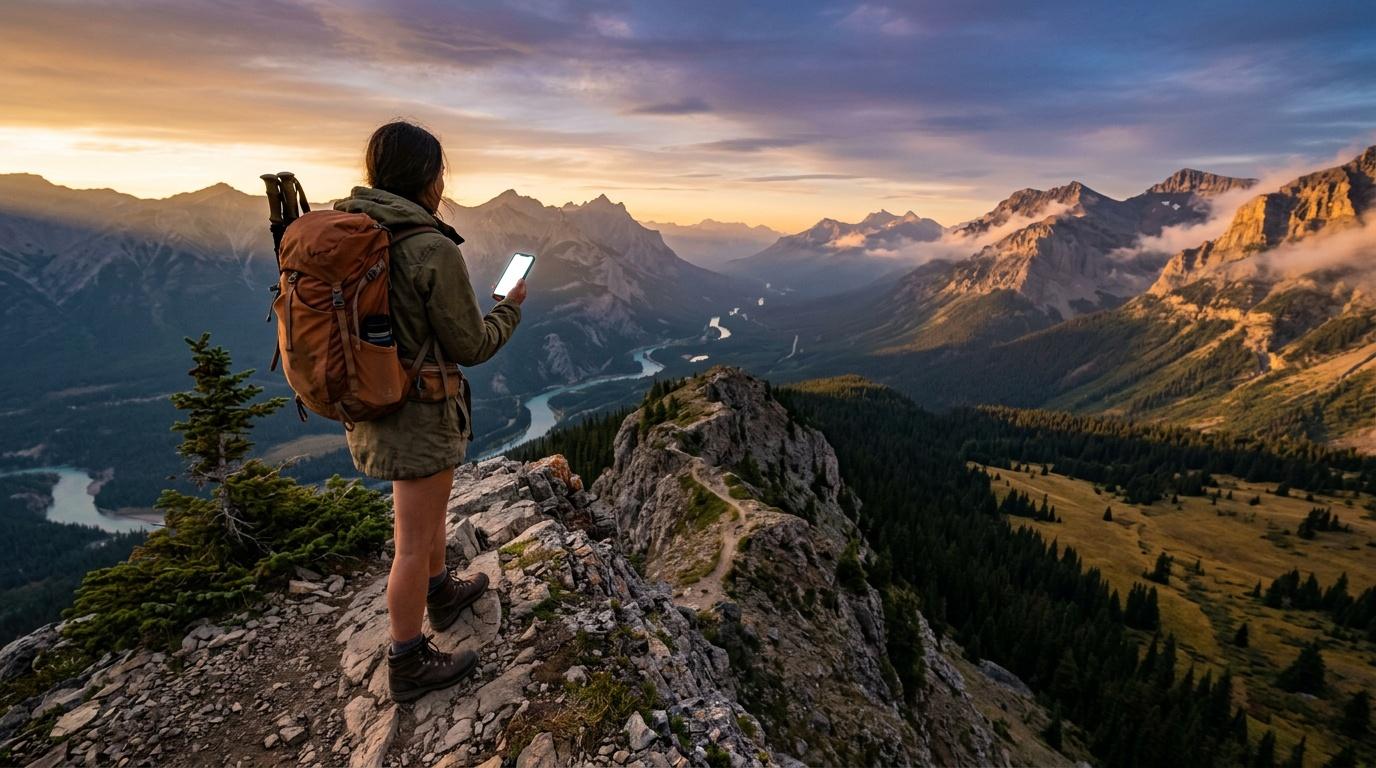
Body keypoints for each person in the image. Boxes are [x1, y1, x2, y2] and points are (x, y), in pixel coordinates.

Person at [335, 121, 526, 702]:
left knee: (428, 516)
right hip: (418, 412)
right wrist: (510, 308)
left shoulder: (358, 231)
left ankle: (440, 591)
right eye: (440, 172)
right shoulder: (428, 246)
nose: (443, 183)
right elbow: (472, 344)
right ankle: (407, 659)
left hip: (377, 402)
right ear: (428, 177)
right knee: (412, 543)